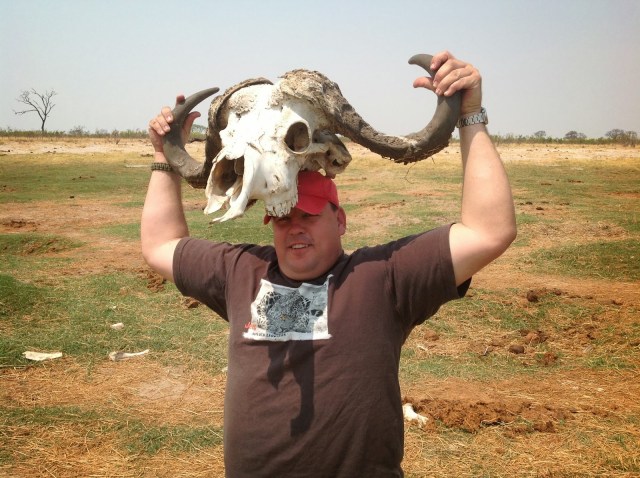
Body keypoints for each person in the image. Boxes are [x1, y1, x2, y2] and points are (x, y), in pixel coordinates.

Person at [142, 50, 516, 477]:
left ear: (339, 220)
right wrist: (163, 156)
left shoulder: (383, 277)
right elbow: (160, 245)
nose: (294, 227)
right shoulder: (240, 271)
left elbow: (489, 231)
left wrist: (470, 115)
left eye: (309, 214)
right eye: (283, 217)